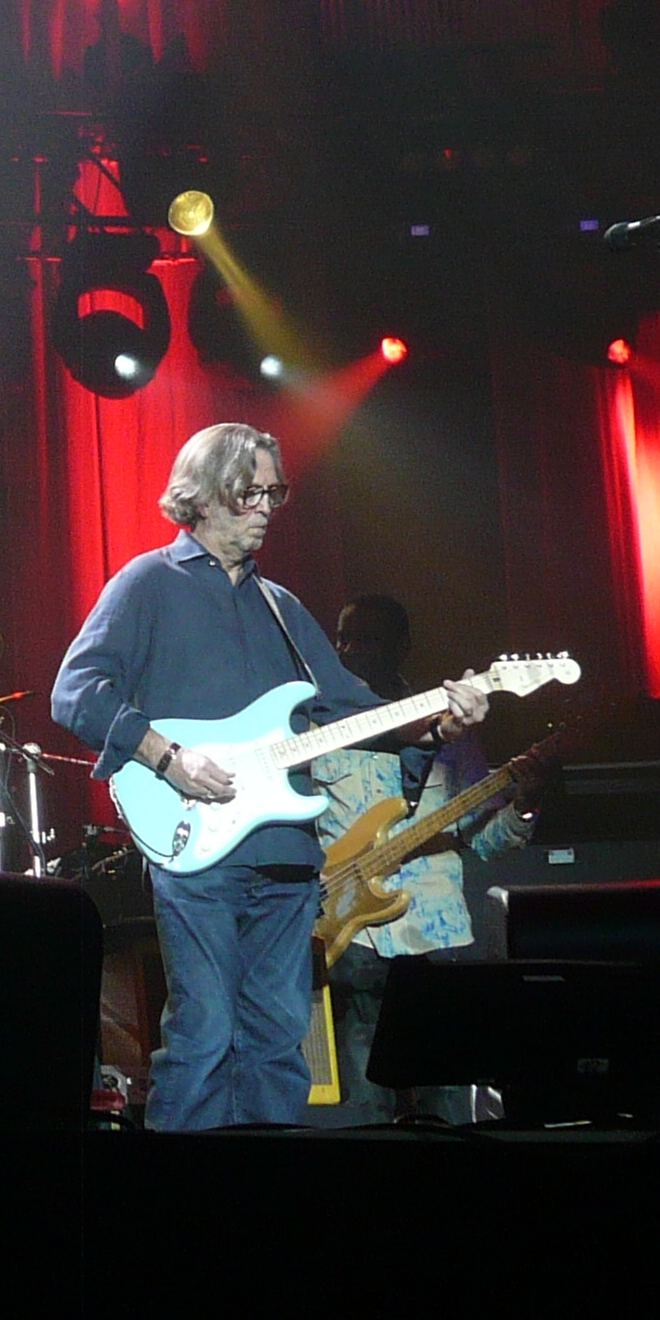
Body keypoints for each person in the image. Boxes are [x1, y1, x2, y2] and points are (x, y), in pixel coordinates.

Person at [52, 423, 488, 1131]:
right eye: (249, 490)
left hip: (288, 852)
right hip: (197, 847)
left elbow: (357, 712)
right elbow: (76, 693)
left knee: (280, 1044)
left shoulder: (281, 607)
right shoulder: (147, 583)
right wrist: (169, 757)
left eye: (273, 491)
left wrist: (440, 718)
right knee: (203, 1035)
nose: (265, 506)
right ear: (203, 493)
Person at [308, 594, 542, 1126]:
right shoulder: (317, 730)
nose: (350, 651)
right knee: (364, 1113)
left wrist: (524, 807)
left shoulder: (451, 727)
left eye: (366, 638)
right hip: (353, 937)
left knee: (451, 1112)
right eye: (344, 639)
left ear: (402, 647)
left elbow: (481, 840)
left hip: (435, 940)